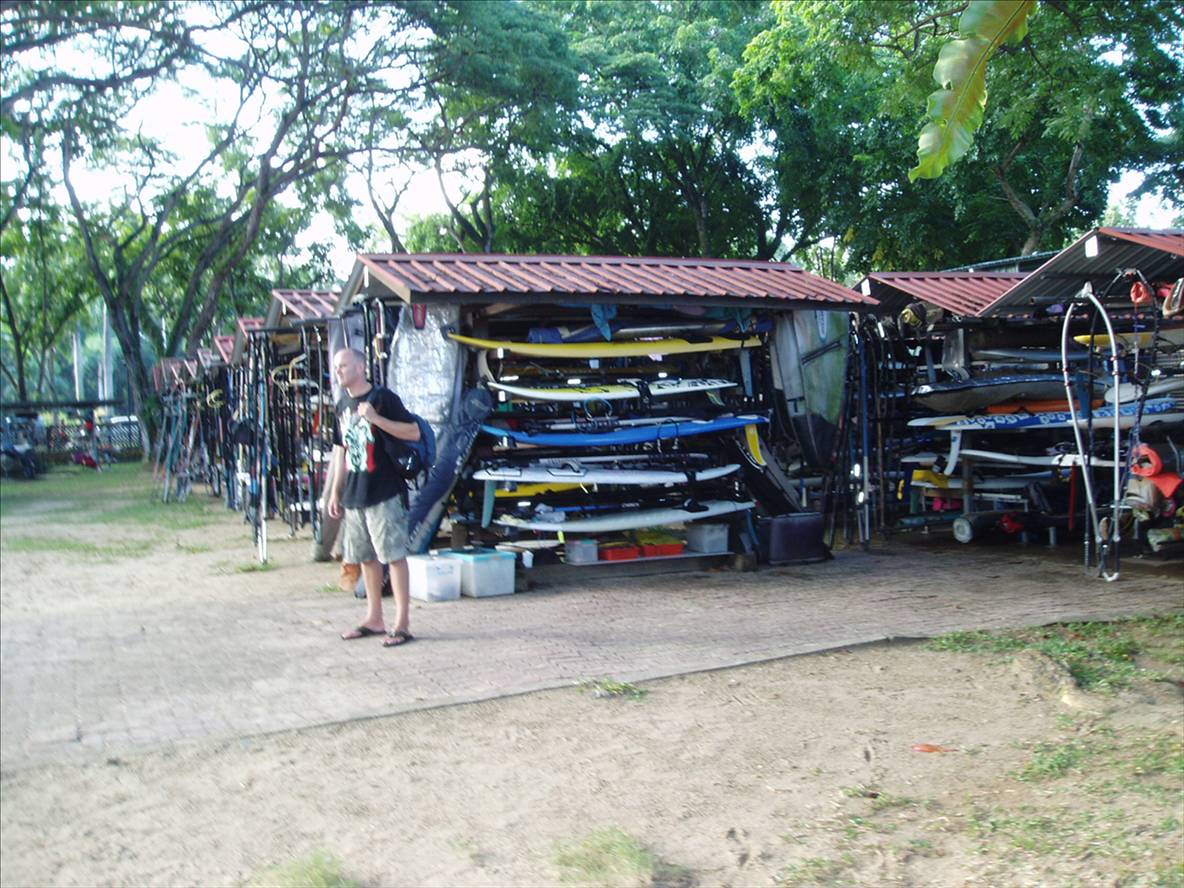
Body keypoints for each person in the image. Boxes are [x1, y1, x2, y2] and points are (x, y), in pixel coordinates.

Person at [327, 347, 419, 648]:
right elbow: (340, 451)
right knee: (366, 557)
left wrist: (376, 419)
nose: (338, 371)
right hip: (355, 493)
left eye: (343, 365)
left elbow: (413, 432)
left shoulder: (383, 399)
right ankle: (374, 617)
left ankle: (402, 623)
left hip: (385, 490)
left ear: (360, 367)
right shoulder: (341, 404)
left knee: (393, 555)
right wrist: (335, 491)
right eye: (336, 367)